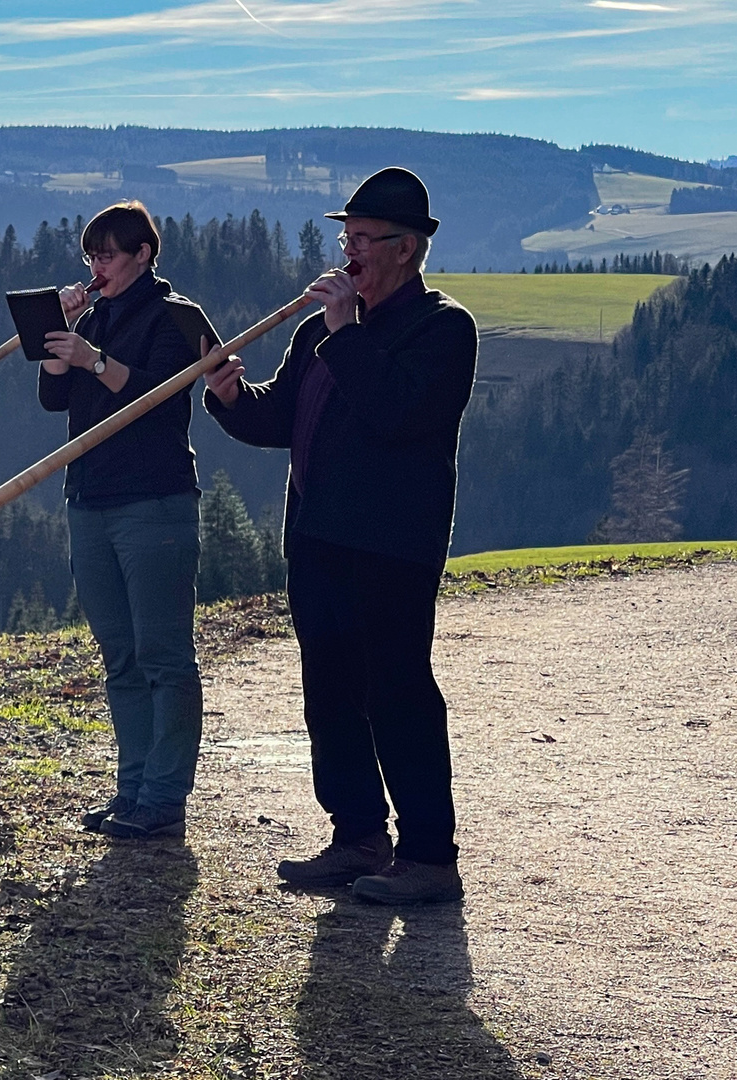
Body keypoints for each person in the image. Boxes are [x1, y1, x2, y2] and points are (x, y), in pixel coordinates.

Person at [201, 167, 478, 905]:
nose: (348, 250)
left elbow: (397, 414)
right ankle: (356, 836)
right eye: (345, 235)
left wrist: (346, 334)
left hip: (393, 545)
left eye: (363, 238)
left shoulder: (443, 328)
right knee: (329, 693)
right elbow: (278, 421)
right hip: (318, 539)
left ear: (406, 250)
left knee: (398, 693)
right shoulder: (317, 332)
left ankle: (427, 856)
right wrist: (230, 399)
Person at [37, 201, 216, 840]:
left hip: (154, 502)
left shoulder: (178, 317)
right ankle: (132, 788)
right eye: (90, 256)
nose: (97, 267)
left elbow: (160, 398)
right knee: (120, 656)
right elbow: (53, 397)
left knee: (163, 653)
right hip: (88, 500)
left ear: (143, 254)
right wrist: (59, 337)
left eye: (107, 254)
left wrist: (92, 359)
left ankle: (165, 797)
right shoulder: (96, 316)